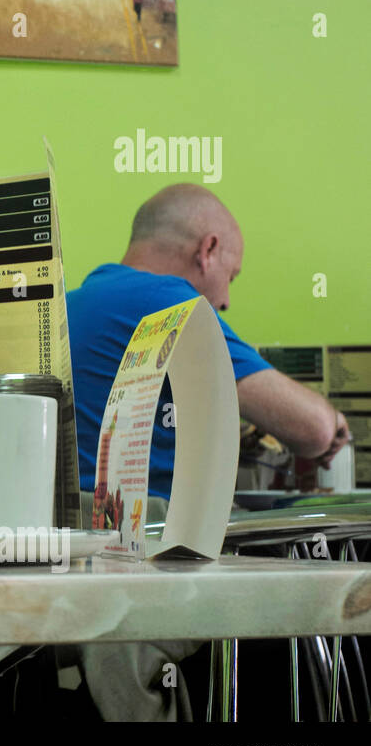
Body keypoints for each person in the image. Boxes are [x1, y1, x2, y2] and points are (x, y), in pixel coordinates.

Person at [68, 184, 348, 523]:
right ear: (208, 250)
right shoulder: (166, 300)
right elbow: (313, 430)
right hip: (136, 540)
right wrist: (334, 422)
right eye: (231, 275)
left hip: (68, 534)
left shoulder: (73, 303)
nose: (227, 300)